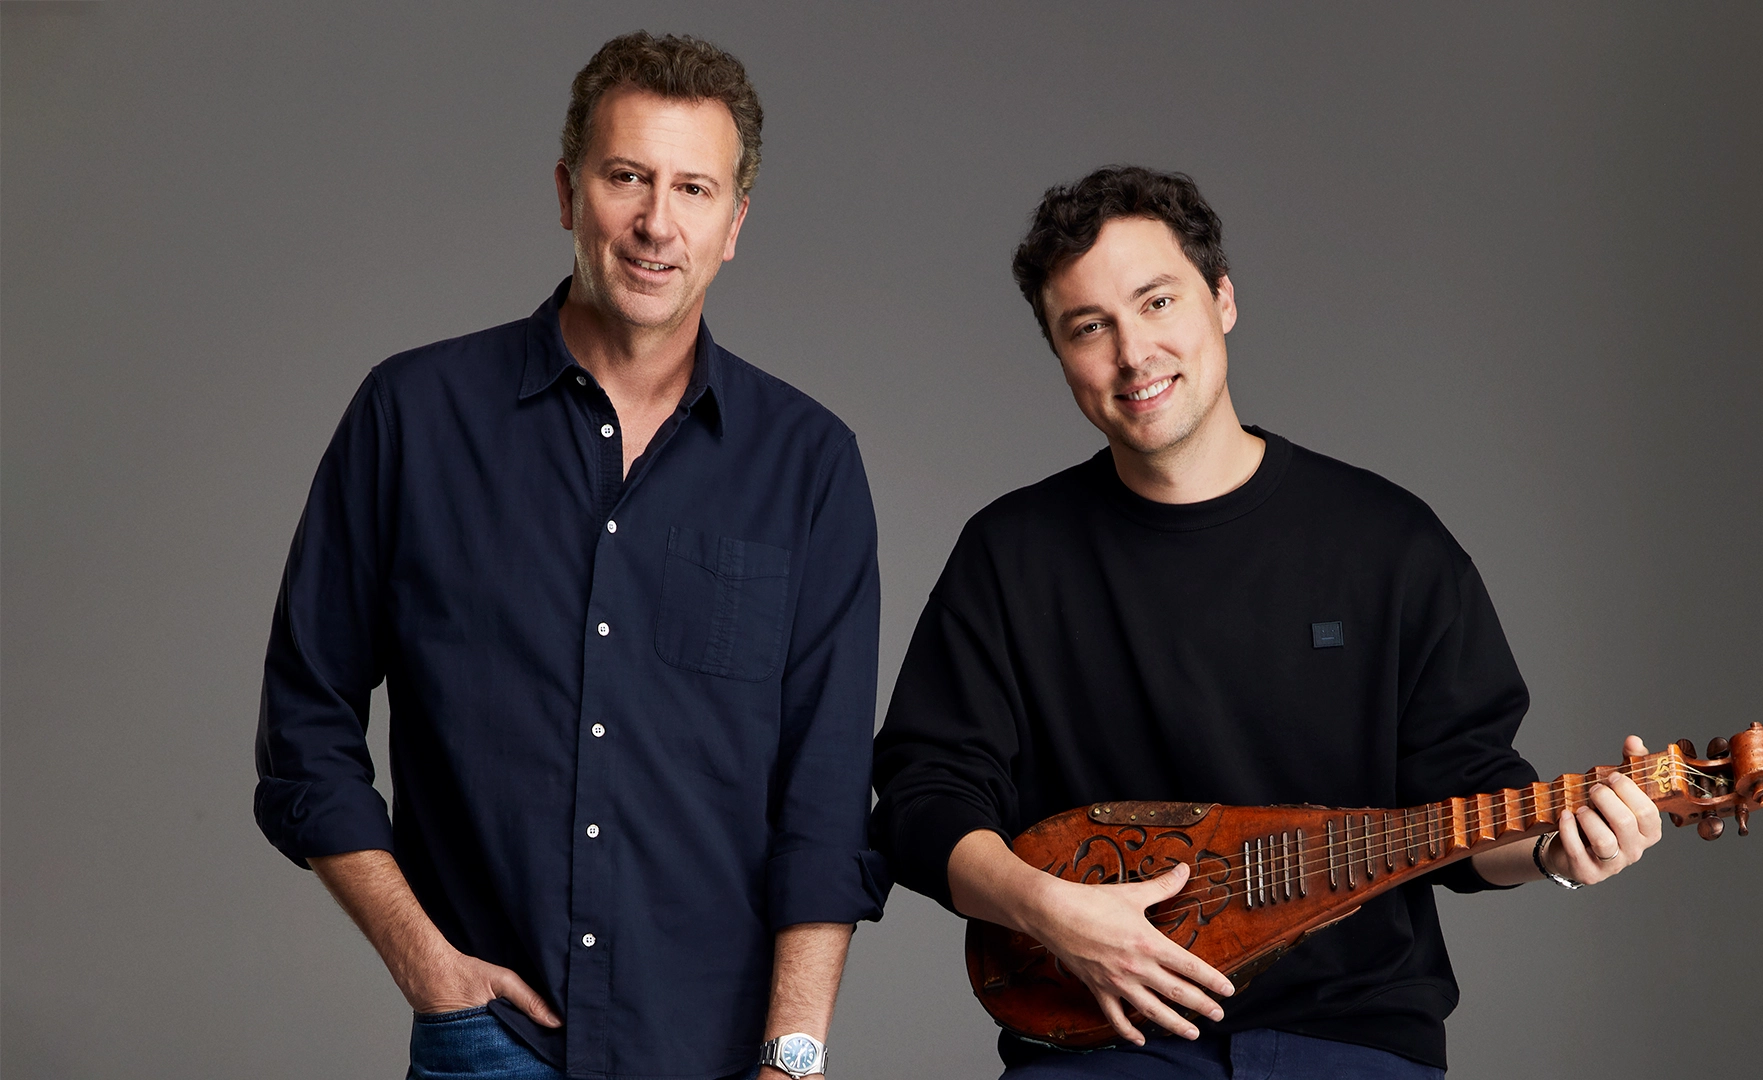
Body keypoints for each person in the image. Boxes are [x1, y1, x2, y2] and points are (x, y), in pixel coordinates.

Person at [869, 166, 1664, 1079]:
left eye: (1157, 302)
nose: (1134, 353)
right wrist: (1048, 910)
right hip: (1106, 1041)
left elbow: (1464, 794)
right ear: (1060, 354)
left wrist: (1561, 847)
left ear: (1222, 299)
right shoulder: (1012, 555)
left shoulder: (1389, 543)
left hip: (1353, 1040)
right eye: (1089, 327)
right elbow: (925, 796)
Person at [254, 32, 886, 1080]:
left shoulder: (809, 464)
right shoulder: (414, 416)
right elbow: (304, 723)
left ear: (734, 225)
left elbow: (826, 799)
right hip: (487, 1042)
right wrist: (424, 964)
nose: (656, 222)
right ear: (566, 192)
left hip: (725, 1057)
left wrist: (795, 1053)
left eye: (693, 189)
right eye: (626, 176)